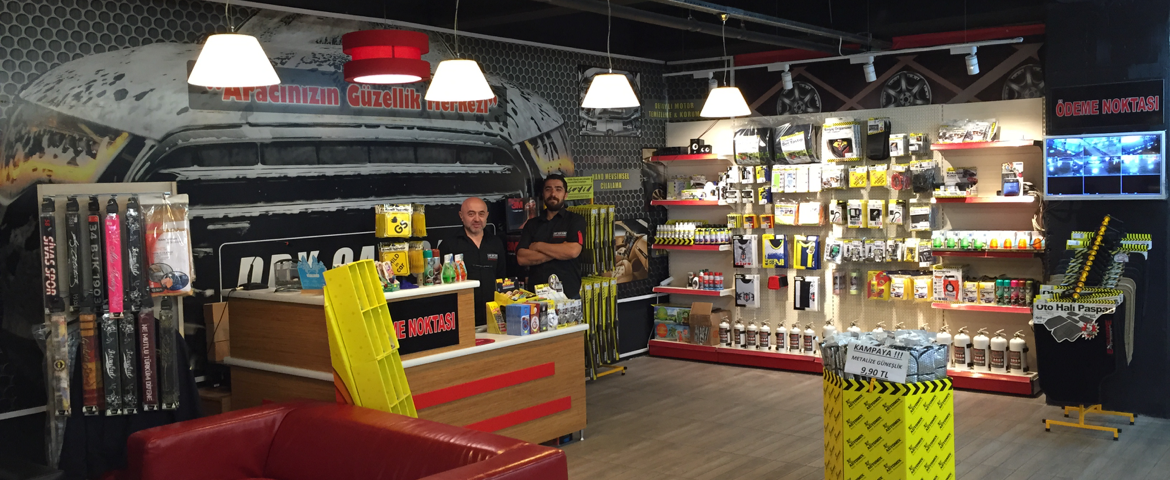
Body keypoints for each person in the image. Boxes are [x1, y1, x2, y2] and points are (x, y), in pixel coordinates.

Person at [438, 197, 507, 327]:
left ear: (487, 216)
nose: (477, 219)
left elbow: (502, 278)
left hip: (493, 316)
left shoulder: (496, 243)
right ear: (461, 216)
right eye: (471, 214)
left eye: (481, 214)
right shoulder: (449, 245)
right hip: (461, 316)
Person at [517, 174, 586, 299]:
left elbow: (572, 251)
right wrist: (560, 251)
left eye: (558, 189)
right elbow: (522, 258)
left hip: (568, 296)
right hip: (537, 298)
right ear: (543, 194)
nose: (553, 194)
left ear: (565, 195)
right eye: (548, 189)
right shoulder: (532, 224)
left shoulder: (575, 220)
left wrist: (538, 246)